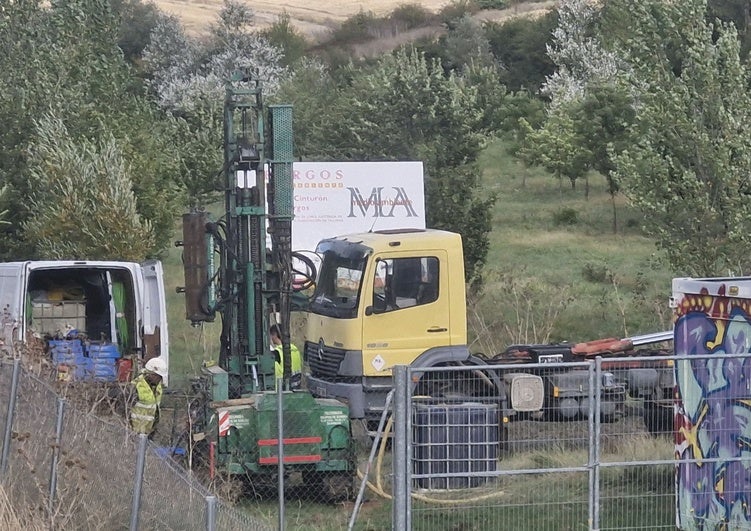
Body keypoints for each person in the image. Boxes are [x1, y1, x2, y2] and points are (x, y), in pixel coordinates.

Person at [130, 357, 166, 437]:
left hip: (149, 432)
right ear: (150, 373)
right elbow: (126, 411)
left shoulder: (158, 387)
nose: (159, 379)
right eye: (158, 376)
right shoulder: (137, 386)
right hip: (135, 433)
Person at [270, 324, 303, 389]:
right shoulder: (295, 348)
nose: (271, 338)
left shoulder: (276, 352)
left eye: (271, 335)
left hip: (283, 389)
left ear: (275, 335)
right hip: (296, 387)